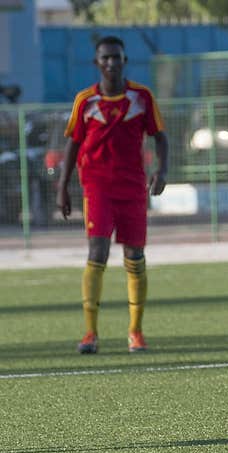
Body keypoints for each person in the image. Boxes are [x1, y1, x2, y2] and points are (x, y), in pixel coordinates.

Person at [56, 36, 168, 355]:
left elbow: (161, 137)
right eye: (105, 58)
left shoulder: (141, 97)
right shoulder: (85, 101)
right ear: (97, 63)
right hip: (97, 186)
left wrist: (163, 170)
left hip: (133, 187)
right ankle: (90, 333)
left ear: (124, 60)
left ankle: (135, 332)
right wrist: (63, 186)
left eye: (116, 57)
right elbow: (73, 144)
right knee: (98, 251)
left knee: (135, 256)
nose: (111, 63)